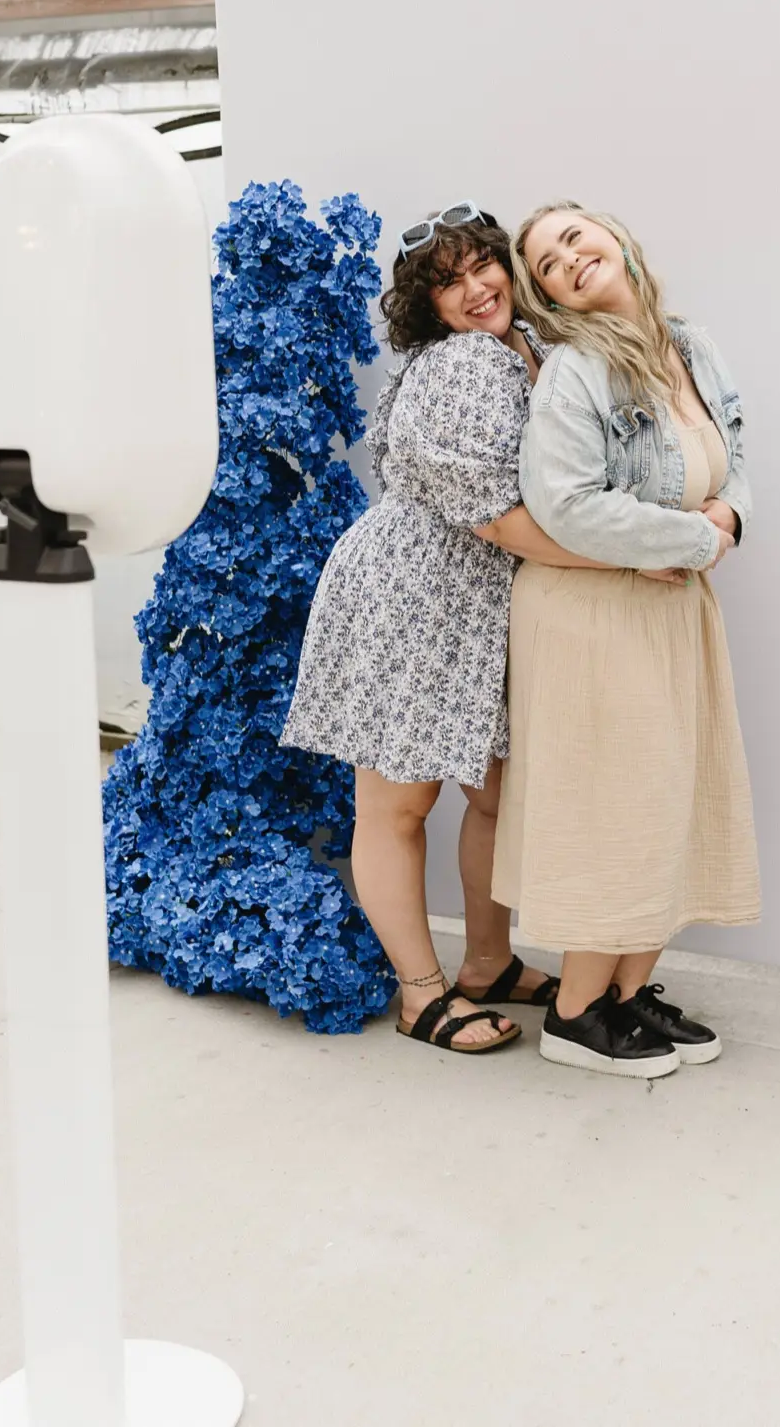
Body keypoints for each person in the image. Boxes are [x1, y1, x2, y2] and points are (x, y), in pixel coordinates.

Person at [282, 202, 655, 1054]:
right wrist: (624, 559)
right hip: (411, 594)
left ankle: (488, 961)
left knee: (493, 795)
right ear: (428, 307)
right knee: (396, 802)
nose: (475, 288)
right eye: (448, 283)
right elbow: (494, 518)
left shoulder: (535, 350)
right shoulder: (463, 367)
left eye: (482, 265)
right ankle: (421, 992)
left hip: (484, 607)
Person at [495, 200, 761, 1078]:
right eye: (544, 262)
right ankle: (575, 1014)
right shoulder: (575, 371)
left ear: (617, 240)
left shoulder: (693, 344)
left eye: (575, 236)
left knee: (670, 799)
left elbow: (737, 456)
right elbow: (562, 502)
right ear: (546, 297)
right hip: (595, 615)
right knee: (615, 806)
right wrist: (692, 539)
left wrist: (729, 513)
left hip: (673, 608)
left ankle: (623, 994)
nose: (566, 257)